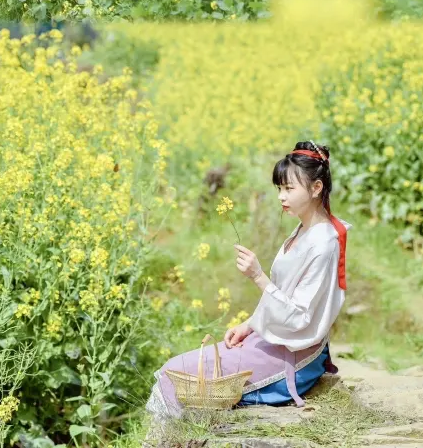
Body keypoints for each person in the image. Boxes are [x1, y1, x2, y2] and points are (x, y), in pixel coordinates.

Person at [146, 141, 350, 422]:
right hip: (274, 338)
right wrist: (249, 325)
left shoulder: (323, 243)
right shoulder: (304, 230)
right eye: (279, 188)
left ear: (316, 188)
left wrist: (257, 275)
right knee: (176, 371)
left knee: (174, 374)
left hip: (293, 353)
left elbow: (300, 317)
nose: (281, 196)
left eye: (289, 189)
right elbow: (285, 295)